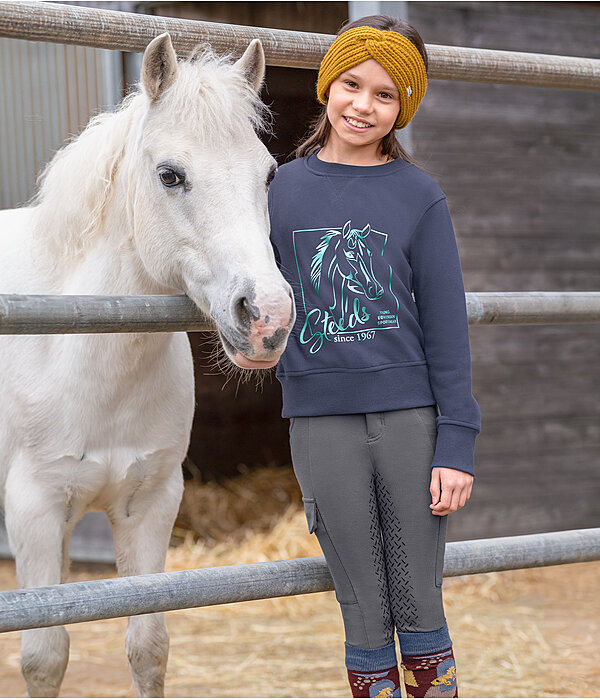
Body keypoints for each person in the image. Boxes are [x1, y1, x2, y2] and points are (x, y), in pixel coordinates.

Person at [268, 14, 481, 699]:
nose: (363, 105)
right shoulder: (275, 190)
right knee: (362, 605)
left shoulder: (419, 196)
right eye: (352, 85)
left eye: (385, 95)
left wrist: (458, 440)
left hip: (411, 420)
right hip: (320, 419)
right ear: (328, 86)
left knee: (419, 597)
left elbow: (447, 326)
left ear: (403, 108)